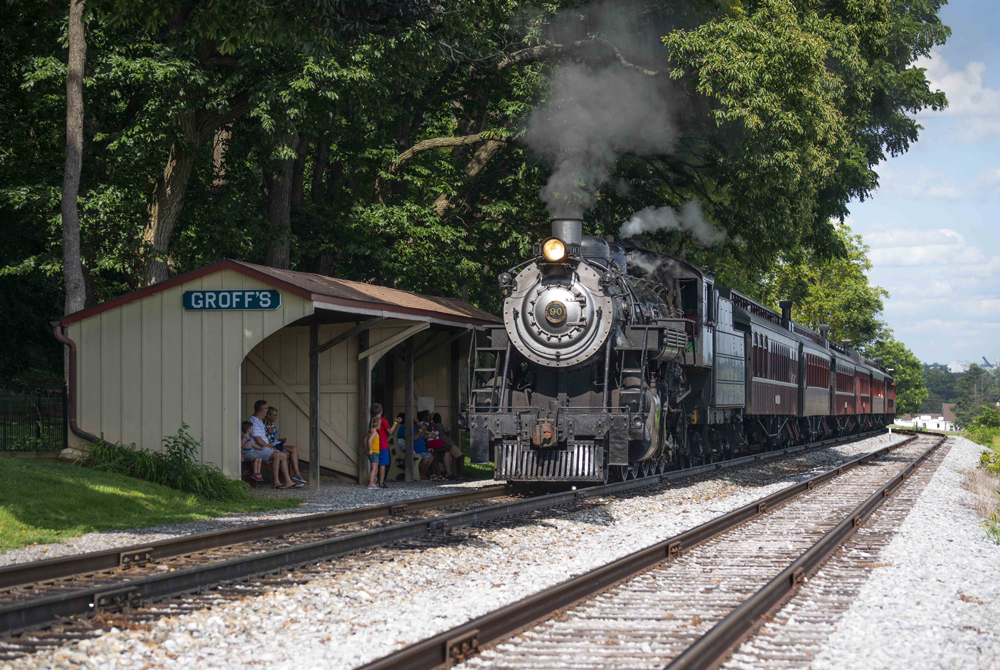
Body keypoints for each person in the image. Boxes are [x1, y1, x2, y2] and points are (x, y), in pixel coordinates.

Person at [249, 399, 301, 489]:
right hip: (256, 449)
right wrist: (270, 447)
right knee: (277, 455)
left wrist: (271, 446)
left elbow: (264, 438)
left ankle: (288, 481)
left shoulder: (259, 421)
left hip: (263, 447)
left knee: (283, 455)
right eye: (266, 408)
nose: (267, 410)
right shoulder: (254, 421)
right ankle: (276, 482)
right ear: (262, 410)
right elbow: (258, 440)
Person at [264, 407, 306, 484]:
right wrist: (267, 432)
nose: (276, 417)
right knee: (292, 454)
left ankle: (296, 474)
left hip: (277, 444)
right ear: (268, 416)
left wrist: (281, 440)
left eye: (276, 415)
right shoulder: (263, 425)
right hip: (271, 447)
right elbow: (261, 437)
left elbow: (275, 438)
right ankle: (294, 476)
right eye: (274, 415)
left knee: (294, 449)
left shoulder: (272, 426)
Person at [397, 412, 434, 480]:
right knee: (427, 458)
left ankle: (422, 474)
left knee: (431, 457)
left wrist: (422, 430)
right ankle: (421, 475)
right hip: (414, 450)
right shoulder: (403, 428)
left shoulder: (410, 428)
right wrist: (420, 429)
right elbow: (414, 438)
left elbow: (419, 436)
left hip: (420, 449)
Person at [432, 412, 463, 480]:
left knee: (449, 456)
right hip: (448, 444)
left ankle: (449, 473)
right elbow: (446, 432)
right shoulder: (439, 425)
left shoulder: (435, 426)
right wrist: (448, 429)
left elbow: (445, 434)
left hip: (446, 444)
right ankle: (459, 475)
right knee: (461, 456)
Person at [372, 403, 391, 488]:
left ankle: (372, 481)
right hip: (383, 444)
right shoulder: (383, 420)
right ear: (381, 411)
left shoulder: (372, 420)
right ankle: (381, 482)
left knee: (374, 464)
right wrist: (395, 423)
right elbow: (390, 432)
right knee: (382, 464)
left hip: (374, 444)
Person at [366, 416, 381, 489]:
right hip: (374, 452)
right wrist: (371, 450)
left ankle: (373, 483)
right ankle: (370, 484)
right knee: (374, 469)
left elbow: (365, 441)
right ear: (378, 424)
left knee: (375, 468)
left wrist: (367, 449)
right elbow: (369, 441)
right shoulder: (374, 432)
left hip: (373, 452)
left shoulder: (369, 432)